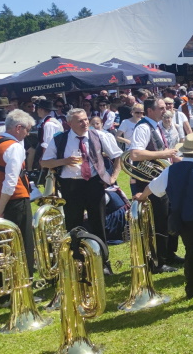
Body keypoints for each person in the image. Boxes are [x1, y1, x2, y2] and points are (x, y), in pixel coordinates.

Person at [137, 133, 193, 309]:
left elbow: (153, 187)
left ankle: (191, 289)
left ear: (184, 152)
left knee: (190, 253)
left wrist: (142, 196)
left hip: (184, 221)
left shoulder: (171, 170)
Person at [40, 108, 123, 273]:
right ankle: (78, 262)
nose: (85, 123)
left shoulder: (99, 135)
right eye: (80, 121)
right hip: (71, 186)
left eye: (86, 119)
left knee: (98, 223)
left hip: (94, 183)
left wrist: (113, 177)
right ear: (69, 123)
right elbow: (45, 162)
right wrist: (65, 161)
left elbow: (117, 155)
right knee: (74, 225)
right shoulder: (60, 139)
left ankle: (103, 263)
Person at [129, 98, 182, 273]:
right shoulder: (143, 127)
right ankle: (158, 261)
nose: (165, 110)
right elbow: (135, 154)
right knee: (159, 220)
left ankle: (169, 254)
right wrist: (164, 154)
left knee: (169, 217)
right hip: (151, 181)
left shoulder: (156, 126)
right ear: (150, 111)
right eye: (161, 108)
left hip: (163, 178)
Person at [0, 110, 37, 274]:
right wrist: (0, 209)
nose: (27, 134)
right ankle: (25, 279)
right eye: (27, 129)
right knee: (22, 242)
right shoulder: (14, 147)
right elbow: (11, 182)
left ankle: (1, 281)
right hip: (16, 200)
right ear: (18, 128)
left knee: (0, 243)